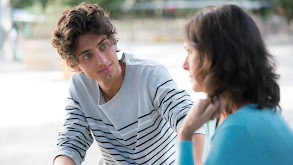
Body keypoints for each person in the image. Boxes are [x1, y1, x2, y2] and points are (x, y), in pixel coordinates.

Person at [51, 2, 206, 165]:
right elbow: (70, 144)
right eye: (88, 56)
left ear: (114, 42)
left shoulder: (149, 75)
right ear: (73, 64)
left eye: (103, 46)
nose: (102, 61)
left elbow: (189, 120)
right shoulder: (80, 87)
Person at [176, 4, 293, 165]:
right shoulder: (256, 112)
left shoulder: (238, 129)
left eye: (190, 52)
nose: (184, 64)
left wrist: (185, 133)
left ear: (214, 58)